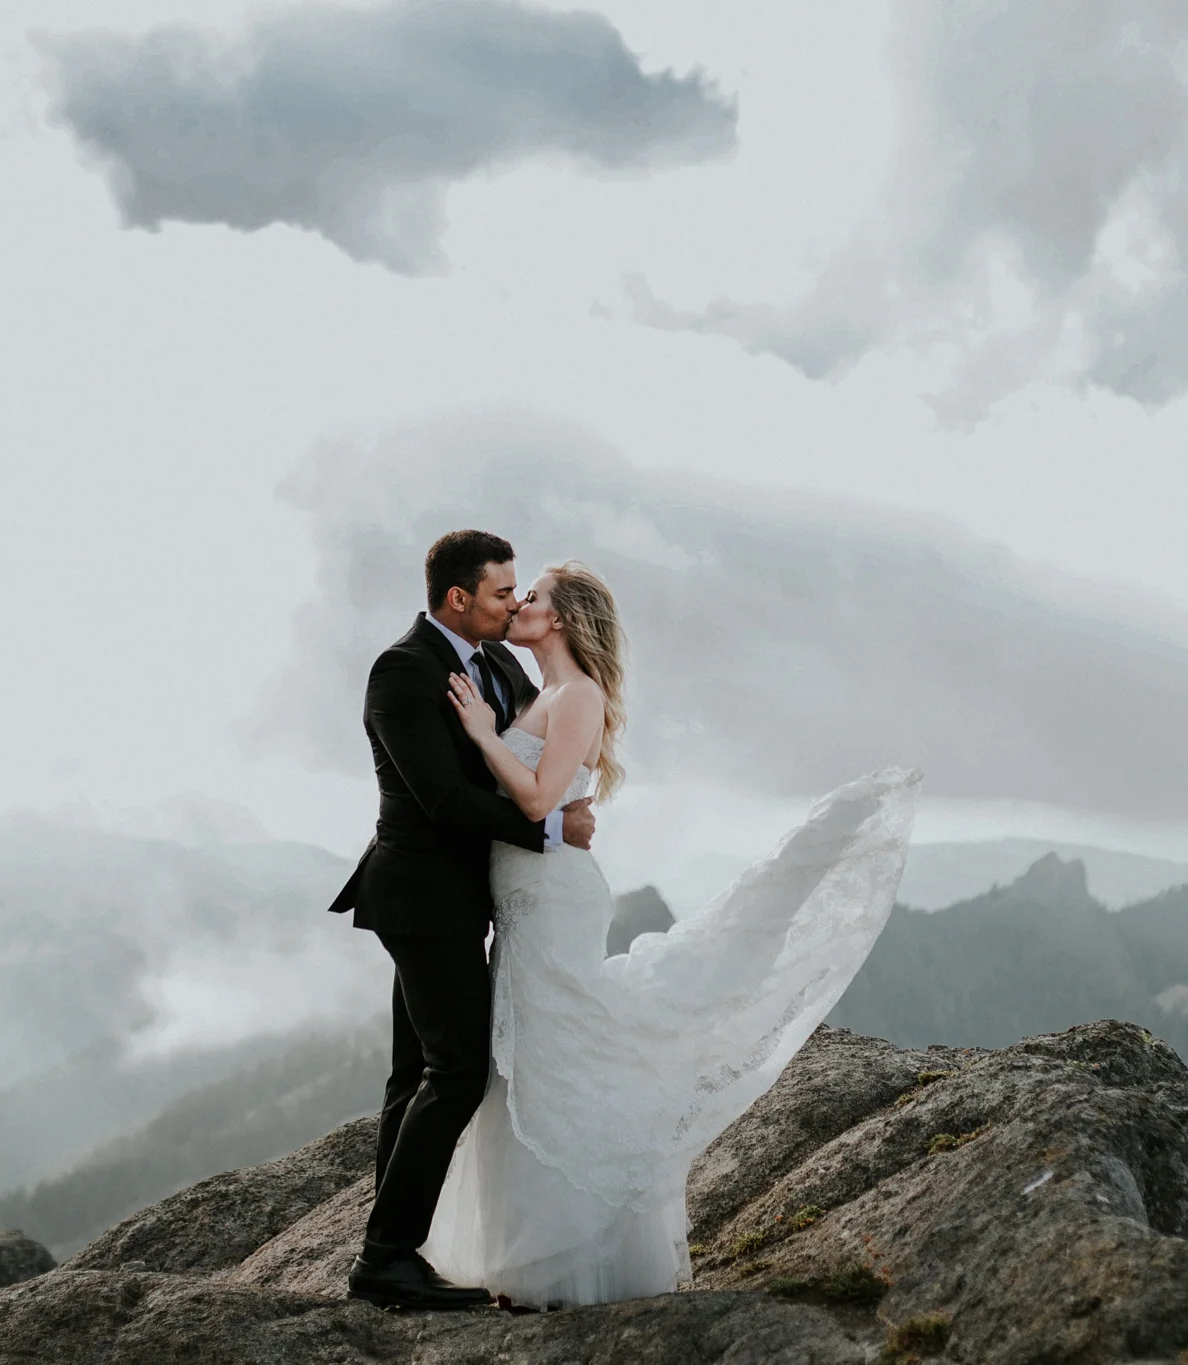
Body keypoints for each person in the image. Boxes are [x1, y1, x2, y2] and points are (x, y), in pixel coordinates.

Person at [421, 559, 918, 1308]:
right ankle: (536, 1254)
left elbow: (538, 801)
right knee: (532, 1057)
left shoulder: (578, 695)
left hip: (553, 900)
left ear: (560, 618)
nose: (519, 603)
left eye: (533, 595)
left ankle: (564, 1259)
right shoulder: (542, 692)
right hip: (524, 899)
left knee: (554, 1056)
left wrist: (484, 736)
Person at [327, 530, 598, 1311]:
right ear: (458, 597)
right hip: (420, 896)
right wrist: (553, 831)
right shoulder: (403, 671)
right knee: (456, 1071)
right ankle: (386, 1257)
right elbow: (444, 798)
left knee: (415, 1070)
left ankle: (391, 1249)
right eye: (501, 592)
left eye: (519, 591)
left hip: (471, 898)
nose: (513, 603)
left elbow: (529, 762)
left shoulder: (504, 666)